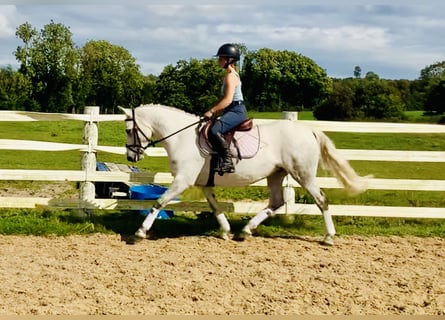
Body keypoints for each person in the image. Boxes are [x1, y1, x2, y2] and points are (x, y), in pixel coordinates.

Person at [204, 43, 248, 175]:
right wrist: (213, 110)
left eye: (221, 58)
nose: (219, 60)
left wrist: (212, 111)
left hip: (236, 110)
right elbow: (222, 99)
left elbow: (228, 99)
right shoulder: (227, 75)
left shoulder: (231, 76)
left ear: (229, 59)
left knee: (214, 131)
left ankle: (227, 162)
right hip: (230, 110)